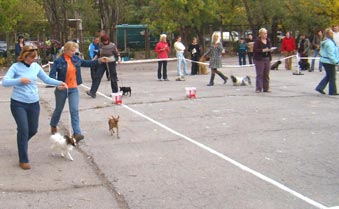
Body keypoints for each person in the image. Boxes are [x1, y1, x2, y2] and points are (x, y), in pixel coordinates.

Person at [1, 45, 67, 170]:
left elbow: (46, 79)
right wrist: (19, 80)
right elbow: (5, 82)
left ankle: (21, 143)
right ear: (25, 55)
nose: (33, 60)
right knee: (24, 130)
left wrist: (59, 83)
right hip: (18, 103)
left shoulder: (36, 67)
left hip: (34, 103)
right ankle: (23, 159)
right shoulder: (15, 67)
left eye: (35, 57)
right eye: (31, 57)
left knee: (33, 130)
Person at [49, 41, 107, 142]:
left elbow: (87, 63)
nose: (74, 52)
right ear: (66, 50)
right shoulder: (58, 61)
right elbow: (52, 75)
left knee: (74, 110)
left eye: (74, 50)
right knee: (58, 109)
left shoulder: (76, 59)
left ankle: (77, 133)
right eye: (72, 51)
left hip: (73, 89)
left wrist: (99, 60)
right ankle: (53, 125)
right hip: (62, 89)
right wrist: (58, 84)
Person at [315, 27, 339, 95]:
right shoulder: (329, 43)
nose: (333, 34)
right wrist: (336, 62)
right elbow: (331, 54)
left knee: (329, 75)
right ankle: (332, 91)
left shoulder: (329, 41)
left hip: (325, 61)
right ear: (329, 34)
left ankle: (320, 87)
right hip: (328, 61)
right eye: (331, 33)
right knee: (332, 76)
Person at [253, 28, 272, 93]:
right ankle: (258, 88)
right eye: (264, 33)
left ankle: (266, 88)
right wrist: (262, 50)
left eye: (266, 33)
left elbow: (269, 47)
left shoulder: (268, 40)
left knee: (266, 74)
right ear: (260, 34)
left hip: (267, 58)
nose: (266, 35)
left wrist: (270, 50)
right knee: (260, 74)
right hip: (259, 59)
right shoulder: (257, 41)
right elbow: (255, 50)